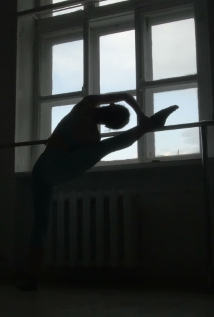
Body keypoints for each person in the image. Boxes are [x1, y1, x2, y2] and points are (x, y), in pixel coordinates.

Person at [17, 92, 178, 291]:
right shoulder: (93, 136)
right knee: (107, 147)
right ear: (109, 126)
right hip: (59, 169)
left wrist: (139, 112)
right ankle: (148, 127)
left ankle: (32, 279)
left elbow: (126, 95)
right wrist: (143, 120)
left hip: (41, 169)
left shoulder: (84, 105)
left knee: (40, 225)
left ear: (110, 105)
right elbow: (82, 152)